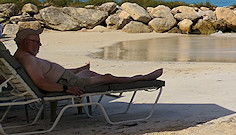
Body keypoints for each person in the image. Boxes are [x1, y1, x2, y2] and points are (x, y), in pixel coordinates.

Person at [13, 27, 163, 96]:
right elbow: (40, 82)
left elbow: (43, 76)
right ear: (25, 42)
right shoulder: (28, 59)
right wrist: (66, 89)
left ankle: (80, 70)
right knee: (108, 77)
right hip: (70, 83)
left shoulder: (20, 56)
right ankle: (142, 78)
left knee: (88, 72)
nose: (39, 46)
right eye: (36, 42)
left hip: (67, 78)